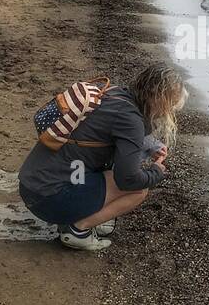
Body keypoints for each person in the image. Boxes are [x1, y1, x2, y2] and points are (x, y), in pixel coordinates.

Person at [18, 63, 186, 252]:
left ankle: (85, 214)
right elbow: (128, 179)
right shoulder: (130, 120)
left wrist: (150, 146)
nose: (169, 112)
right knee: (139, 189)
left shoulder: (110, 92)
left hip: (32, 184)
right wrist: (156, 172)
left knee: (114, 167)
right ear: (159, 99)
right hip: (48, 198)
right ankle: (77, 230)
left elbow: (106, 131)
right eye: (171, 105)